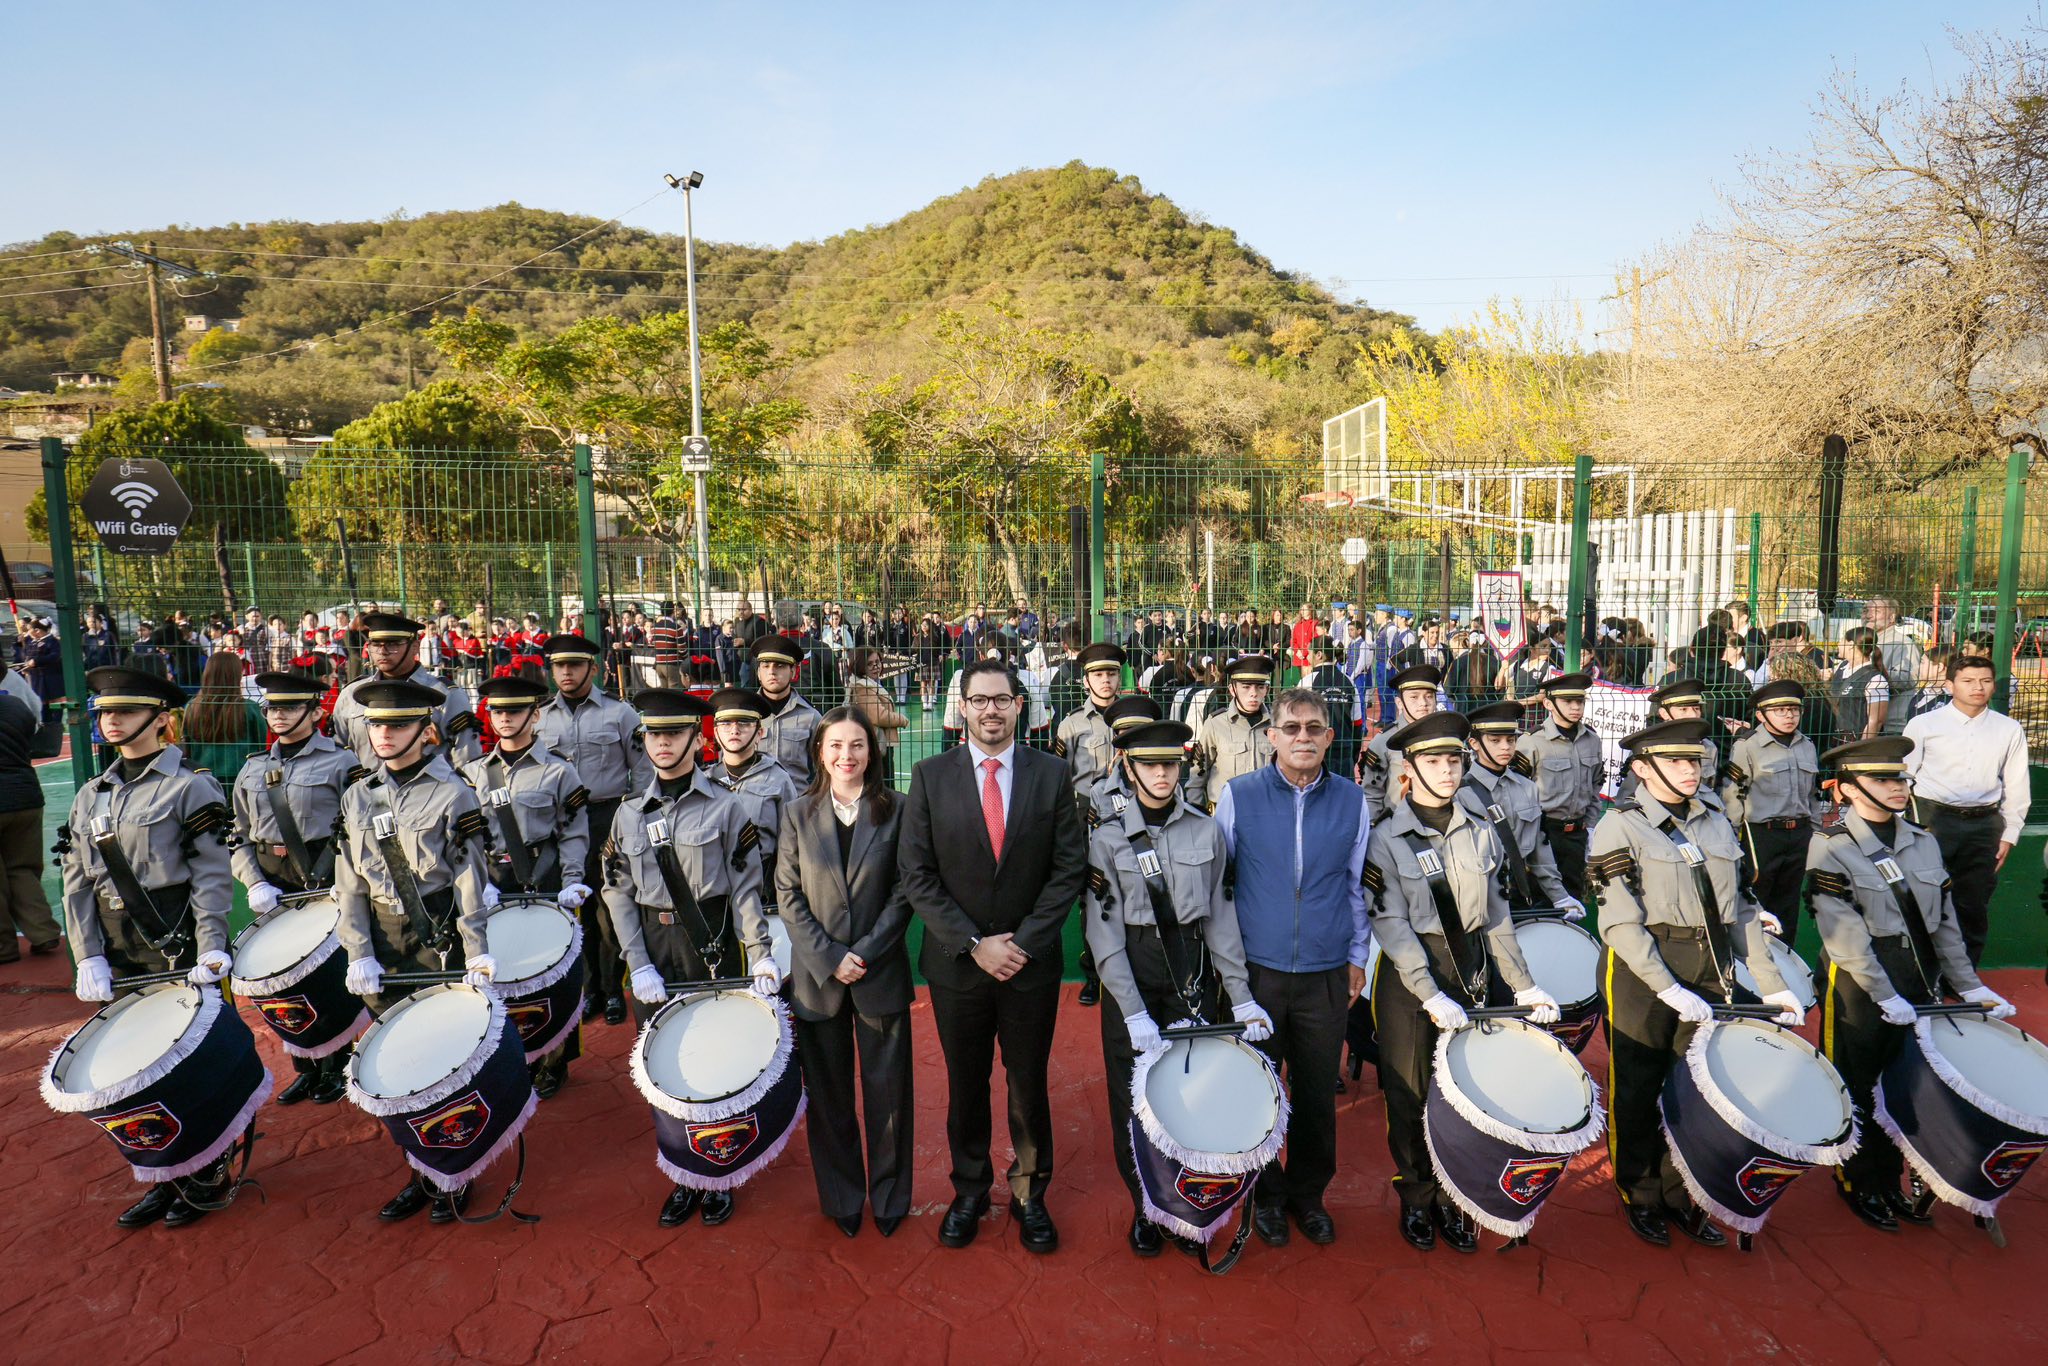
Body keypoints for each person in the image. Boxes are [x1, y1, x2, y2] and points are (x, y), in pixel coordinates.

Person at [1587, 718, 1807, 1249]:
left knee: (1693, 1087)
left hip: (1709, 963)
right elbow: (1618, 921)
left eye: (1696, 760)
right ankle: (1639, 1191)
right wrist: (1667, 987)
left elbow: (1740, 909)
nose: (1691, 770)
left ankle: (1678, 1189)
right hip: (1644, 968)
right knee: (1638, 1086)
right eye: (1677, 761)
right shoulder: (1621, 825)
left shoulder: (1714, 820)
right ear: (1642, 768)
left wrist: (1772, 982)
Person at [900, 656, 1087, 1254]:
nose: (990, 710)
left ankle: (1031, 1193)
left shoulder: (1053, 775)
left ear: (1019, 706)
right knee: (966, 1084)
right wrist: (975, 945)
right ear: (962, 707)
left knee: (1028, 1083)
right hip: (959, 965)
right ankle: (970, 1189)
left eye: (1001, 700)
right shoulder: (929, 777)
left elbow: (1068, 870)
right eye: (978, 700)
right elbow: (917, 874)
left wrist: (1024, 944)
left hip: (1030, 966)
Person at [1364, 711, 1558, 1252]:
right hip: (1412, 978)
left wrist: (1522, 983)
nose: (1447, 771)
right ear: (1410, 768)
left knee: (1472, 1093)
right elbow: (1393, 927)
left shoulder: (1480, 829)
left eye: (1454, 759)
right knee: (1411, 1093)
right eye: (1433, 761)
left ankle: (1456, 1197)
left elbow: (1496, 913)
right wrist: (1429, 993)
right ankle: (1418, 1196)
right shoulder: (1386, 840)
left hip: (1473, 969)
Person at [1808, 735, 2017, 1231]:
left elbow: (1944, 923)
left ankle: (1892, 1177)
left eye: (1901, 777)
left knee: (1905, 1082)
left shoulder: (1922, 839)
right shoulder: (1832, 846)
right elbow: (1846, 938)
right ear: (1850, 790)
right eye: (1883, 779)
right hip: (1860, 981)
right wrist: (1885, 996)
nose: (1899, 787)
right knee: (1858, 1082)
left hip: (1918, 974)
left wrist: (1968, 986)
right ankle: (1859, 1181)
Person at [60, 667, 237, 1228]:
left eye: (124, 711)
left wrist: (211, 945)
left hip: (176, 939)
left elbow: (211, 875)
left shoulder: (191, 786)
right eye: (104, 712)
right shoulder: (92, 794)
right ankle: (164, 1171)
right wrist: (87, 952)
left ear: (162, 718)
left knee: (186, 1061)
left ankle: (206, 1168)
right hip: (118, 946)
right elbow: (76, 879)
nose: (110, 720)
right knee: (132, 1063)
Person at [1085, 718, 1268, 1257]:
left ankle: (1185, 1208)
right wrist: (1132, 1010)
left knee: (1190, 1093)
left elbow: (1220, 920)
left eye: (1170, 764)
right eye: (1149, 764)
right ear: (1129, 767)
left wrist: (1240, 994)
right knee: (1134, 1099)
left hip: (1193, 969)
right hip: (1134, 970)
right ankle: (1146, 1205)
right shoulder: (1108, 836)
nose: (1162, 774)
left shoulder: (1206, 831)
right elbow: (1104, 931)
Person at [602, 688, 777, 1229]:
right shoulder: (627, 815)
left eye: (673, 733)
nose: (662, 743)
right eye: (653, 734)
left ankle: (721, 1172)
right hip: (655, 950)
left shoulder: (728, 807)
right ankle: (682, 1173)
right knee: (665, 1066)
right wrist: (639, 963)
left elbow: (747, 888)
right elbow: (617, 894)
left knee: (719, 1059)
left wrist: (762, 955)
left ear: (696, 740)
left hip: (714, 940)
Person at [331, 677, 498, 1224]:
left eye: (397, 724)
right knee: (397, 1062)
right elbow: (350, 880)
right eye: (376, 724)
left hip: (439, 936)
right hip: (383, 938)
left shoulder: (454, 792)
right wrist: (358, 951)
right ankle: (419, 1168)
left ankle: (456, 1168)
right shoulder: (358, 794)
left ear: (426, 732)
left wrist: (476, 949)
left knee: (445, 1058)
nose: (383, 734)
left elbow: (469, 877)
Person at [1212, 686, 1372, 1249]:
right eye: (1292, 727)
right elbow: (1219, 888)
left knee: (1312, 1093)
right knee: (1258, 1090)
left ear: (1330, 737)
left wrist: (1358, 960)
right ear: (1272, 735)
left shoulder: (1353, 801)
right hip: (1259, 973)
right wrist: (1231, 977)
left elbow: (1357, 889)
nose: (1303, 736)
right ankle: (1265, 1194)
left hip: (1327, 974)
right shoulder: (1238, 795)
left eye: (1314, 727)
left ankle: (1308, 1195)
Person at [776, 707, 916, 1240]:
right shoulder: (796, 813)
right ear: (820, 753)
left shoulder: (897, 810)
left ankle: (889, 1195)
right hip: (818, 980)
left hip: (879, 974)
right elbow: (787, 895)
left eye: (857, 745)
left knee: (890, 1097)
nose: (847, 756)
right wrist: (831, 956)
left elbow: (906, 891)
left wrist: (864, 952)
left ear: (872, 752)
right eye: (835, 745)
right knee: (830, 1098)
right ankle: (842, 1196)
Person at [230, 670, 366, 1106]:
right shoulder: (253, 768)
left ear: (316, 711)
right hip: (273, 884)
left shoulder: (342, 763)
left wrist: (342, 883)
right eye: (271, 707)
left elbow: (356, 831)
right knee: (282, 982)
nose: (278, 715)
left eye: (289, 707)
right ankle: (306, 1067)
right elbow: (236, 834)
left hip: (325, 880)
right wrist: (253, 882)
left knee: (329, 981)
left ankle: (339, 1065)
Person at [462, 675, 593, 1098]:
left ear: (535, 716)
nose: (504, 718)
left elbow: (573, 832)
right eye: (497, 711)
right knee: (501, 970)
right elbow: (465, 840)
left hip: (548, 874)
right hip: (494, 882)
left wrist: (572, 881)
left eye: (514, 711)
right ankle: (509, 1055)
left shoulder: (559, 770)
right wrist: (478, 882)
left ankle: (555, 1059)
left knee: (550, 972)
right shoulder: (473, 773)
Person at [535, 632, 651, 1028]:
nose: (566, 673)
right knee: (571, 907)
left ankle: (614, 990)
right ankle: (589, 990)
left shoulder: (620, 714)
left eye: (574, 665)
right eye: (558, 666)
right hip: (561, 822)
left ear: (593, 668)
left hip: (607, 818)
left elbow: (644, 770)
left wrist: (633, 818)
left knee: (609, 909)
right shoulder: (542, 717)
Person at [1902, 654, 2030, 964]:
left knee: (1973, 905)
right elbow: (1902, 777)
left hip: (1984, 824)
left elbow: (2017, 786)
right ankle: (1923, 976)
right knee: (1926, 899)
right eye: (1968, 681)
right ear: (1949, 685)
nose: (1978, 688)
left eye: (1985, 681)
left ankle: (1965, 980)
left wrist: (2010, 834)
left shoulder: (2008, 729)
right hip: (1932, 820)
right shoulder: (1923, 724)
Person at [1051, 641, 1127, 1007]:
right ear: (1085, 681)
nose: (1106, 680)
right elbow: (1060, 780)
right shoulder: (1071, 725)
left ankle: (1129, 971)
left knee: (1133, 888)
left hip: (1129, 812)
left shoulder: (1135, 718)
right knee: (1091, 894)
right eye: (1098, 674)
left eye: (1111, 673)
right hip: (1085, 813)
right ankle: (1094, 974)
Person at [1459, 701, 1580, 917]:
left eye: (1511, 739)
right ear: (1474, 743)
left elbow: (1539, 850)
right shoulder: (1460, 793)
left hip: (1519, 892)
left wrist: (1559, 896)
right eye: (1495, 740)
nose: (1505, 747)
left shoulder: (1528, 787)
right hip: (1476, 896)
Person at [1719, 680, 1818, 942]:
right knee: (1757, 900)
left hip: (1800, 833)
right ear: (1761, 715)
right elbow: (1733, 794)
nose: (1789, 716)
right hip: (1762, 835)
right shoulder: (1747, 746)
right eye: (1780, 711)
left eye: (1794, 711)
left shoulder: (1806, 744)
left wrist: (1815, 831)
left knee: (1789, 903)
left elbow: (1812, 795)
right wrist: (1733, 836)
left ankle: (1788, 959)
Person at [330, 612, 481, 768]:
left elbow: (467, 759)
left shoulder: (446, 695)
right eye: (376, 644)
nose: (383, 651)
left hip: (428, 789)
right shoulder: (352, 694)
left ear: (415, 647)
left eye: (393, 644)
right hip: (367, 790)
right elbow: (339, 753)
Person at [703, 687, 804, 913]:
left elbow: (789, 847)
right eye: (726, 724)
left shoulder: (779, 780)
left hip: (762, 894)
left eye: (744, 724)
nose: (734, 730)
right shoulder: (703, 781)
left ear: (759, 733)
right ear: (716, 733)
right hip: (713, 896)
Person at [1514, 673, 1603, 903]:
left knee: (1573, 899)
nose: (1575, 707)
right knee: (1540, 899)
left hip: (1577, 835)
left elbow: (1595, 786)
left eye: (1580, 702)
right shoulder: (1532, 741)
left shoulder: (1592, 740)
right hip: (1544, 834)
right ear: (1548, 703)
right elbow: (1516, 791)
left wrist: (1591, 827)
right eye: (1568, 702)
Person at [0, 683, 60, 964]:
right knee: (23, 868)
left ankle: (4, 946)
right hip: (26, 794)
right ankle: (43, 931)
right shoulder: (16, 706)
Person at [1186, 654, 1275, 810]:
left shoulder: (1277, 726)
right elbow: (1197, 776)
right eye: (1246, 687)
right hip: (1224, 816)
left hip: (1265, 814)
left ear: (1267, 689)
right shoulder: (1215, 724)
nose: (1253, 693)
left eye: (1260, 687)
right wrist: (1199, 818)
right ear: (1232, 689)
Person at [1357, 664, 1441, 818]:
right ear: (1399, 703)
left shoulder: (1444, 738)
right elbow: (1372, 794)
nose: (1423, 703)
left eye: (1429, 696)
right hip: (1397, 828)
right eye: (1414, 697)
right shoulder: (1384, 742)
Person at [1618, 678, 1720, 804]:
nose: (1693, 715)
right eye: (1683, 710)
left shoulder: (1708, 747)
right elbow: (1629, 795)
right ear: (1664, 713)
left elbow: (1710, 788)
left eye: (1696, 708)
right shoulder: (1648, 745)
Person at [182, 651, 269, 789]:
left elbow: (187, 744)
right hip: (244, 778)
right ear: (236, 676)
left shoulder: (192, 707)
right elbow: (263, 745)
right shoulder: (250, 708)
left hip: (201, 778)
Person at [751, 634, 822, 781]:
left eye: (780, 665)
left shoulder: (810, 717)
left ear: (793, 672)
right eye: (765, 666)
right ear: (758, 672)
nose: (772, 671)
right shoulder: (746, 716)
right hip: (755, 801)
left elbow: (823, 768)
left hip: (798, 799)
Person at [843, 648, 908, 786]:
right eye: (869, 664)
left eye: (878, 662)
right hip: (876, 746)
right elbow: (879, 716)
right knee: (883, 788)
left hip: (880, 744)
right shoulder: (863, 687)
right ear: (860, 666)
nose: (876, 667)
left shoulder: (870, 683)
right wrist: (901, 719)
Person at [1300, 634, 1360, 779]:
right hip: (1344, 752)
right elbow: (1357, 723)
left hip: (1317, 752)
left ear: (1319, 655)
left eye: (1309, 653)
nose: (1307, 657)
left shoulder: (1307, 682)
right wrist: (1353, 756)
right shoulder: (1349, 681)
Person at [1864, 599, 1924, 735]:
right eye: (1866, 610)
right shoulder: (1864, 641)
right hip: (1864, 720)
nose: (1868, 615)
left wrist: (1879, 674)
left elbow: (1911, 678)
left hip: (1890, 723)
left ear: (1892, 617)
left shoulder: (1903, 644)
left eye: (1876, 611)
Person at [1829, 626, 1892, 742]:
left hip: (1855, 743)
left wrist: (1861, 749)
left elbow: (1876, 721)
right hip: (1833, 739)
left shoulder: (1876, 680)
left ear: (1851, 644)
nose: (1838, 644)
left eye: (1842, 640)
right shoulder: (1842, 666)